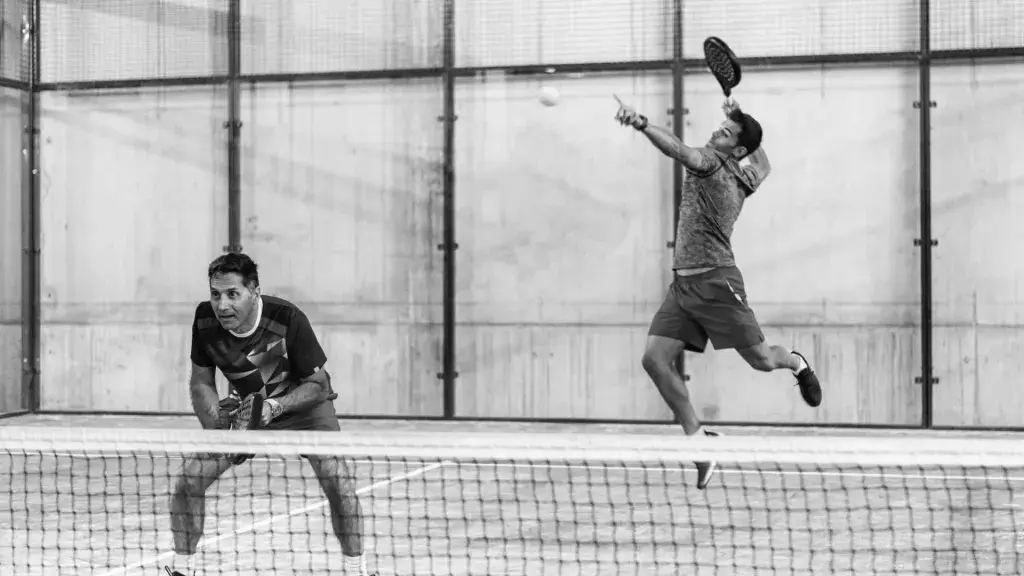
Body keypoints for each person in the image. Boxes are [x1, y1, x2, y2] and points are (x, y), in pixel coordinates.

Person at [613, 95, 822, 490]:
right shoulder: (748, 175)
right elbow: (764, 163)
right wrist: (736, 118)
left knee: (762, 361)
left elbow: (677, 148)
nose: (716, 131)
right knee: (655, 360)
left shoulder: (710, 164)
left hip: (717, 283)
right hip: (684, 285)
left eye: (725, 133)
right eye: (720, 127)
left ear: (735, 149)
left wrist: (641, 123)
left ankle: (795, 363)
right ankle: (699, 443)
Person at [164, 253, 374, 576]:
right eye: (216, 294)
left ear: (254, 292)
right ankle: (182, 570)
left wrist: (276, 407)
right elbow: (201, 382)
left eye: (233, 294)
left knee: (337, 479)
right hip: (249, 409)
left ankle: (359, 570)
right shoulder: (205, 321)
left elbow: (318, 386)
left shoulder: (287, 319)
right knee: (189, 479)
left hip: (303, 406)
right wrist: (215, 421)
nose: (222, 305)